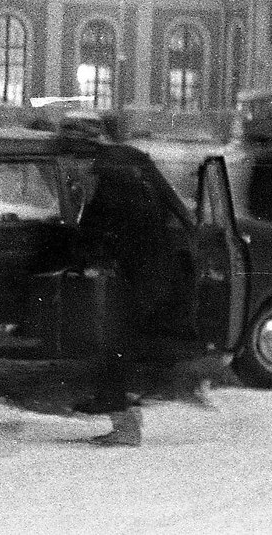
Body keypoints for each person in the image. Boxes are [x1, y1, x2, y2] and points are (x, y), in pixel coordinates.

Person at [70, 151, 193, 446]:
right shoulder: (130, 189)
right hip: (155, 275)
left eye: (78, 170)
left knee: (116, 347)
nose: (74, 176)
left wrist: (80, 257)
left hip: (143, 278)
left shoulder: (106, 197)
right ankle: (125, 415)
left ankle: (125, 426)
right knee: (122, 346)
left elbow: (93, 236)